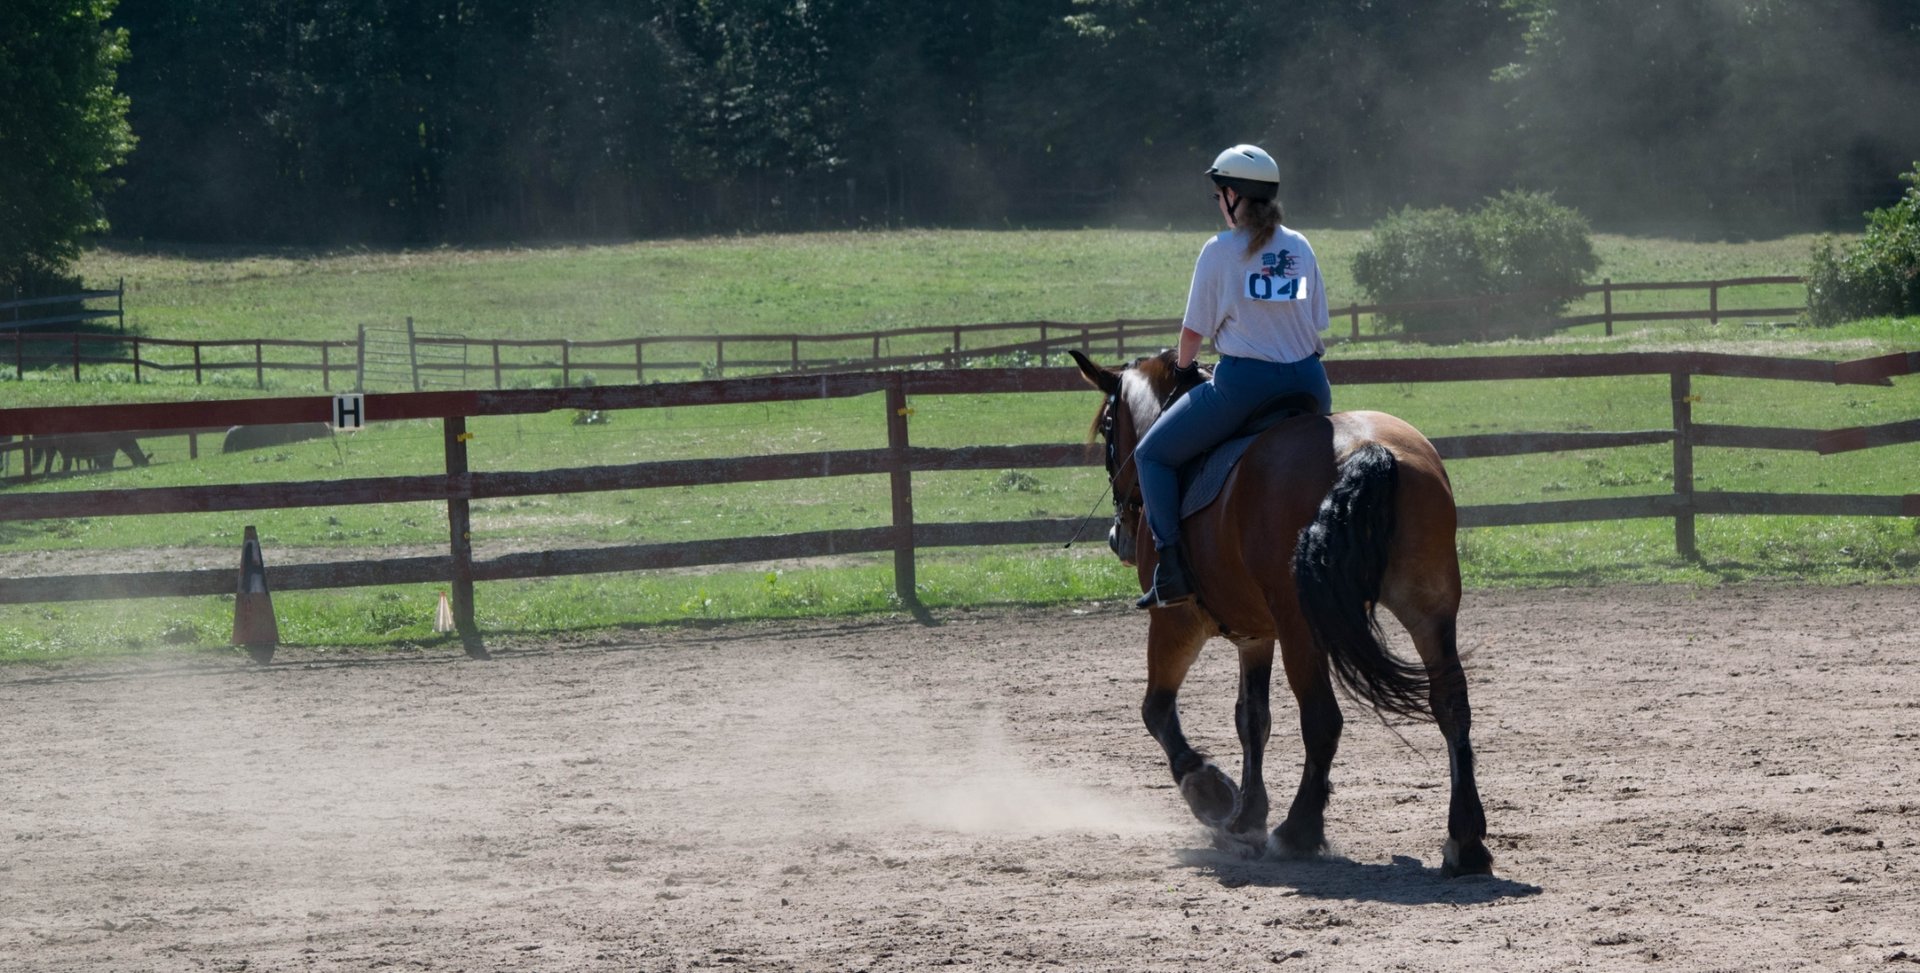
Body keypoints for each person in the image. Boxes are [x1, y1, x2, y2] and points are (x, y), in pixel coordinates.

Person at [1132, 143, 1333, 609]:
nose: (1218, 202)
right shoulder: (1300, 246)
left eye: (1219, 193)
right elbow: (1316, 319)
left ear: (1234, 196)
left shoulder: (1220, 250)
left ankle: (1172, 568)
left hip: (1246, 388)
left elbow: (1193, 332)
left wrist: (1184, 370)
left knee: (1151, 455)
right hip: (1310, 384)